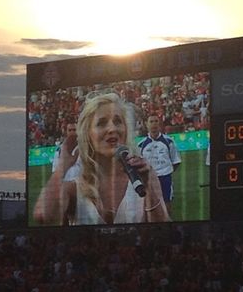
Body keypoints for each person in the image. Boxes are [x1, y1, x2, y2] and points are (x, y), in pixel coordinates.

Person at [33, 92, 169, 225]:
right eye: (101, 123)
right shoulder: (73, 188)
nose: (112, 128)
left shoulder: (144, 177)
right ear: (88, 134)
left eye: (117, 121)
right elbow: (43, 216)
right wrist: (61, 169)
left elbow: (163, 231)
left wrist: (149, 188)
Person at [138, 113, 181, 215]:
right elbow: (139, 164)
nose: (154, 124)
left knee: (167, 204)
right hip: (148, 179)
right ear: (146, 124)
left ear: (160, 124)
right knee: (149, 206)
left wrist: (166, 172)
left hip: (165, 177)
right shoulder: (141, 145)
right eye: (151, 122)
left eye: (156, 121)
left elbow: (176, 161)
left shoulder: (169, 141)